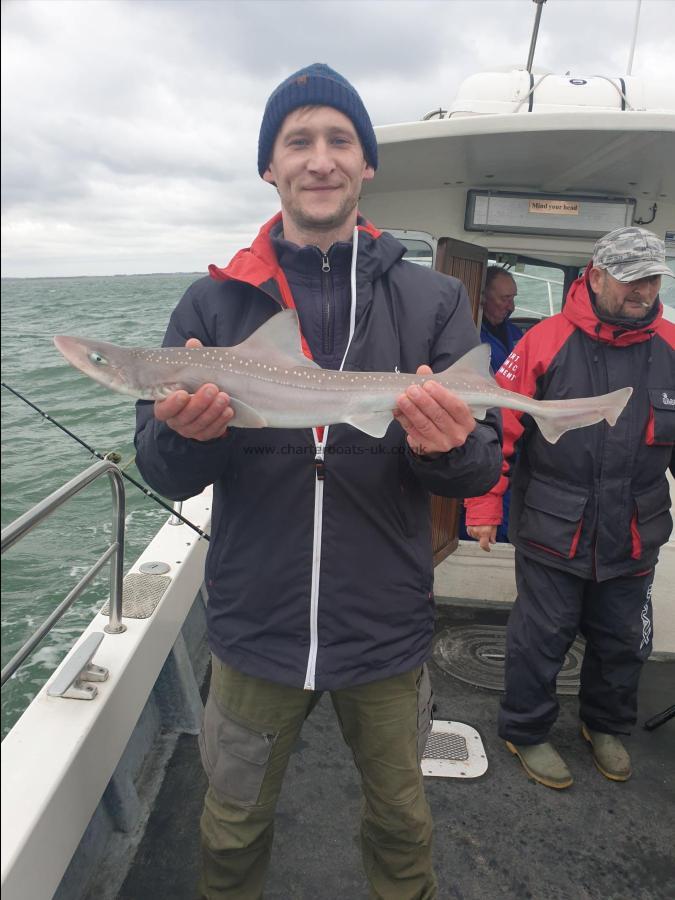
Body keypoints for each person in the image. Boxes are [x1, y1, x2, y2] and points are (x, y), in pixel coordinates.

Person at [134, 63, 502, 898]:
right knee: (228, 835)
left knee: (402, 826)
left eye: (340, 140)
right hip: (253, 628)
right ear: (269, 166)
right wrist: (189, 440)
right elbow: (161, 470)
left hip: (384, 628)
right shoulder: (212, 305)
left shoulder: (434, 300)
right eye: (297, 141)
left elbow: (481, 464)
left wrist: (445, 450)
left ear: (366, 164)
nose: (320, 159)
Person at [465, 226, 675, 790]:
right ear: (597, 274)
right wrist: (484, 503)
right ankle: (526, 731)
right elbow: (497, 423)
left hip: (635, 530)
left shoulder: (672, 346)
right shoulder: (545, 340)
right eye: (631, 280)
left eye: (653, 279)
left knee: (623, 638)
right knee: (542, 636)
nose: (643, 292)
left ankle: (605, 727)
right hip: (555, 528)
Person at [480, 265, 522, 373]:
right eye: (505, 299)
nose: (512, 307)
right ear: (484, 297)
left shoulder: (516, 333)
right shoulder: (473, 336)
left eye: (512, 298)